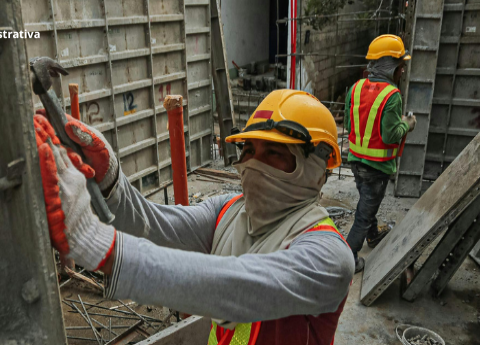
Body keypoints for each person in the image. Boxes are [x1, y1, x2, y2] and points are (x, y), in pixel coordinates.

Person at [34, 89, 354, 345]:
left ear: (316, 170)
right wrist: (110, 182)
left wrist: (94, 241)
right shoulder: (229, 210)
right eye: (249, 151)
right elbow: (156, 228)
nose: (254, 164)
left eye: (274, 153)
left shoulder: (328, 256)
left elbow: (238, 289)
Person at [344, 34, 416, 273]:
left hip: (355, 161)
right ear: (390, 66)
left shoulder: (355, 89)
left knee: (367, 204)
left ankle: (373, 235)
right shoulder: (392, 96)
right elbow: (390, 136)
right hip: (377, 167)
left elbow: (347, 124)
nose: (403, 70)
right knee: (363, 215)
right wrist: (407, 124)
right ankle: (348, 258)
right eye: (400, 65)